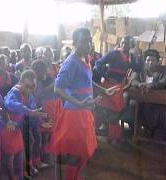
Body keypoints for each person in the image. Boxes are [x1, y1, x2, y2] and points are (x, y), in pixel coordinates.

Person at [49, 28, 117, 180]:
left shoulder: (84, 59)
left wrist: (104, 91)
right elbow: (57, 88)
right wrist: (78, 103)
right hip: (74, 115)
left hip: (83, 112)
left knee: (81, 153)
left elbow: (88, 82)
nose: (88, 45)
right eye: (83, 42)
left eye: (89, 41)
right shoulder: (71, 62)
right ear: (75, 43)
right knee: (74, 153)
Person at [93, 36, 141, 143]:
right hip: (107, 85)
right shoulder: (113, 53)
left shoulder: (131, 57)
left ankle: (113, 136)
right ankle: (95, 134)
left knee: (115, 110)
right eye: (123, 43)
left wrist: (139, 57)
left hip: (119, 86)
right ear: (120, 44)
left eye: (127, 43)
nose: (124, 45)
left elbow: (138, 69)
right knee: (103, 109)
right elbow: (98, 63)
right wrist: (105, 76)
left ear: (131, 45)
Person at [4, 70, 47, 179]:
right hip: (10, 126)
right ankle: (20, 171)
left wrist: (40, 122)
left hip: (20, 125)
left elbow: (33, 110)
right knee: (15, 152)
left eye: (32, 87)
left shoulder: (28, 94)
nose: (29, 89)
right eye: (27, 86)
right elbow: (10, 104)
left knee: (30, 141)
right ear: (21, 82)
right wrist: (28, 111)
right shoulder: (15, 92)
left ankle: (27, 167)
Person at [127, 49, 166, 139]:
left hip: (157, 103)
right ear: (145, 61)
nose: (150, 63)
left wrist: (150, 86)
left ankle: (154, 131)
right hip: (141, 102)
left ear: (158, 62)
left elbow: (163, 82)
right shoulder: (141, 70)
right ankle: (135, 129)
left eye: (153, 60)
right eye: (148, 60)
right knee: (131, 105)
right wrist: (140, 84)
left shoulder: (163, 71)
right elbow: (133, 80)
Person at [31, 60, 63, 167]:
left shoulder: (46, 77)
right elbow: (40, 94)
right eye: (43, 71)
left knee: (50, 134)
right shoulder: (36, 82)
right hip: (45, 108)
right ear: (37, 71)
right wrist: (54, 85)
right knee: (44, 135)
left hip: (54, 106)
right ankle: (44, 157)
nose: (46, 72)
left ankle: (48, 155)